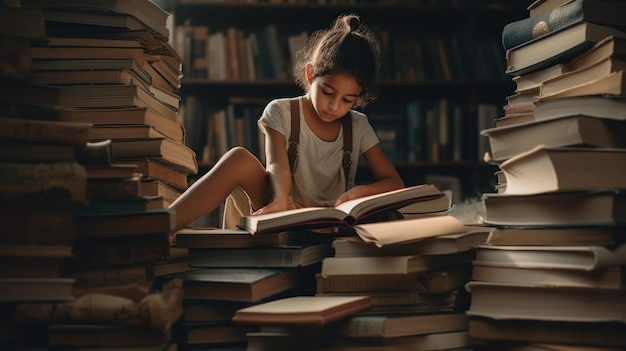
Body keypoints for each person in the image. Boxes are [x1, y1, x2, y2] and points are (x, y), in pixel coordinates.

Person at [170, 14, 405, 232]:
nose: (334, 106)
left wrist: (361, 192)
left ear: (359, 97)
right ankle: (164, 224)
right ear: (311, 74)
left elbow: (394, 182)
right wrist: (280, 199)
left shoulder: (358, 125)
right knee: (238, 158)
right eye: (327, 92)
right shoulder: (282, 111)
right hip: (284, 209)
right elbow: (277, 166)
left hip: (333, 220)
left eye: (347, 100)